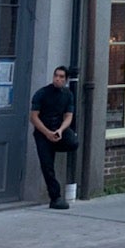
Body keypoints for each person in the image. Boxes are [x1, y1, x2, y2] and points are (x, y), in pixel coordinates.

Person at [30, 65, 78, 210]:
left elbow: (69, 116)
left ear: (66, 80)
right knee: (47, 166)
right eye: (56, 75)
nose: (58, 79)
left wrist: (61, 130)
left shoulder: (68, 94)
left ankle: (55, 144)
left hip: (58, 130)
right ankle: (55, 198)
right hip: (42, 133)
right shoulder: (42, 93)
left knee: (73, 142)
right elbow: (33, 117)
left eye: (61, 77)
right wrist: (47, 133)